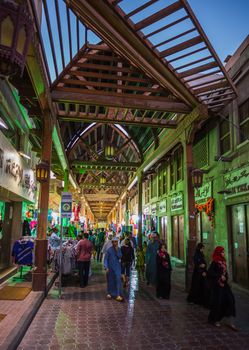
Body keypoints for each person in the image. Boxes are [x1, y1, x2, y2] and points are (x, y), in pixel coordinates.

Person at [207, 246, 236, 329]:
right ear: (218, 253)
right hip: (217, 285)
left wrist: (225, 278)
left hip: (224, 285)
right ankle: (215, 319)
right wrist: (219, 276)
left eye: (224, 252)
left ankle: (229, 320)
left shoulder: (223, 262)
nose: (224, 253)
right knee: (218, 302)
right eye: (222, 252)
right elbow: (210, 273)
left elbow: (225, 273)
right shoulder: (214, 262)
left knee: (230, 299)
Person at [104, 237, 123, 301]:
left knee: (118, 279)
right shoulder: (109, 250)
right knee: (110, 280)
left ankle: (118, 294)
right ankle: (109, 293)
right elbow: (106, 259)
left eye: (116, 242)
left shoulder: (119, 249)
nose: (115, 243)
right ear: (112, 243)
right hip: (110, 267)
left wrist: (117, 251)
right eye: (114, 242)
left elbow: (120, 256)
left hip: (117, 267)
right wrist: (106, 267)